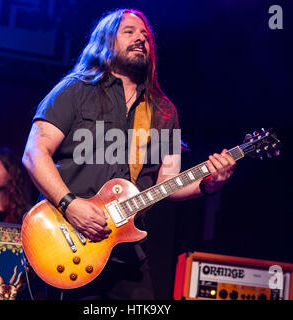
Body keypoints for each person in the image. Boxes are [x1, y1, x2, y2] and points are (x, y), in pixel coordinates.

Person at [22, 9, 236, 299]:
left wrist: (210, 184)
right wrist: (71, 205)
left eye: (145, 36)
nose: (140, 39)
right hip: (69, 237)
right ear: (107, 41)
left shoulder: (163, 111)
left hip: (128, 252)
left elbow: (168, 183)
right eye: (130, 32)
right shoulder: (74, 90)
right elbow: (35, 153)